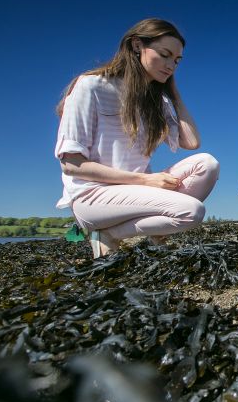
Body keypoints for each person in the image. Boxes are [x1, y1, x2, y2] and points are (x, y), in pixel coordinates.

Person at [55, 18, 220, 258]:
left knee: (207, 164)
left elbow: (191, 142)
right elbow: (71, 164)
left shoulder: (155, 101)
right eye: (164, 54)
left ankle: (119, 232)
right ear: (136, 46)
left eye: (176, 60)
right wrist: (145, 180)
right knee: (192, 212)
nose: (171, 65)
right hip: (93, 196)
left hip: (137, 190)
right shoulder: (90, 87)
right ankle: (109, 232)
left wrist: (172, 92)